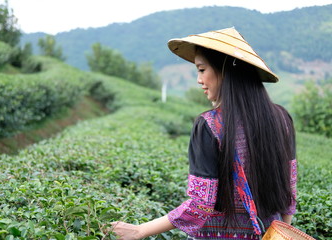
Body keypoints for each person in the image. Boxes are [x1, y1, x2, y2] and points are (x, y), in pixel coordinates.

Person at [111, 27, 297, 240]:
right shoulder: (282, 119)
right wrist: (281, 232)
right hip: (267, 233)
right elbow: (288, 192)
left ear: (225, 70)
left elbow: (200, 205)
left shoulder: (209, 125)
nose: (199, 80)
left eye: (201, 69)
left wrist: (140, 230)